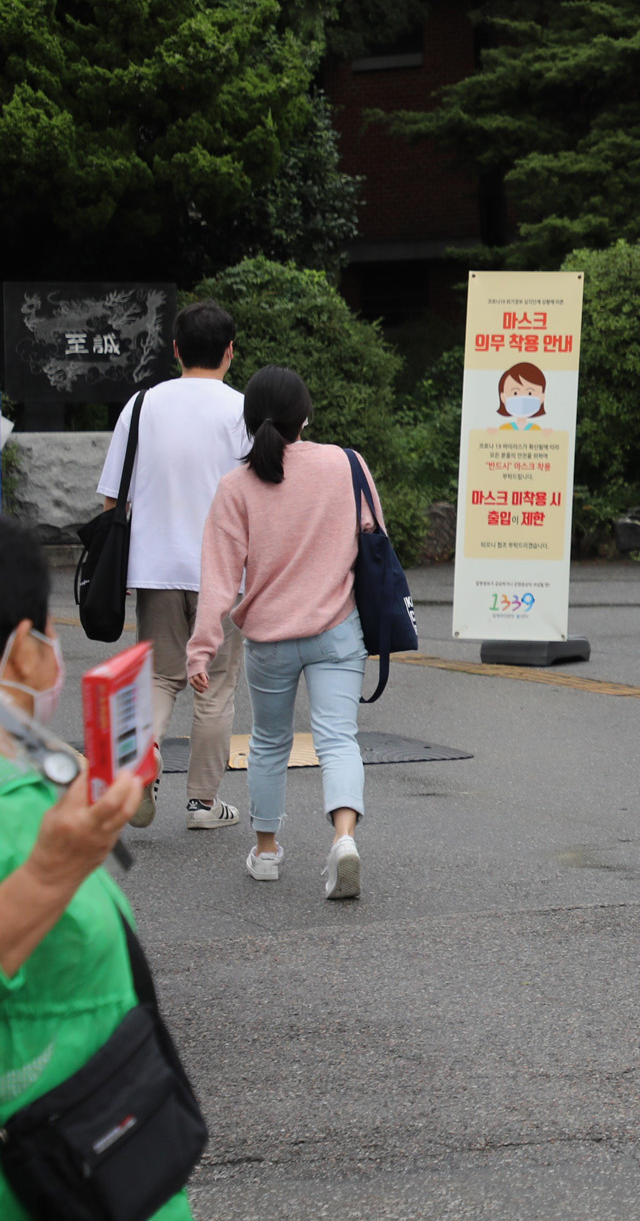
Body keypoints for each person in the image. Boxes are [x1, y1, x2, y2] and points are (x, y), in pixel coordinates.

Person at [0, 518, 194, 1220]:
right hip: (52, 1180)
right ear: (27, 652)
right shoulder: (27, 823)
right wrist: (52, 871)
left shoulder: (39, 779)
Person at [186, 366, 383, 901]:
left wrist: (201, 650)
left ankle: (267, 852)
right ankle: (343, 840)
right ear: (306, 415)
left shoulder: (236, 487)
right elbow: (374, 538)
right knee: (338, 739)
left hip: (269, 639)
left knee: (269, 743)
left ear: (249, 420)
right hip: (337, 629)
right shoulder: (347, 465)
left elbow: (219, 578)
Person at [95, 301, 251, 833]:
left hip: (156, 566)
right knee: (217, 684)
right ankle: (203, 805)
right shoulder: (243, 410)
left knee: (162, 677)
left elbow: (112, 500)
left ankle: (142, 763)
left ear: (177, 350)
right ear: (230, 351)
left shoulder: (141, 406)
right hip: (226, 574)